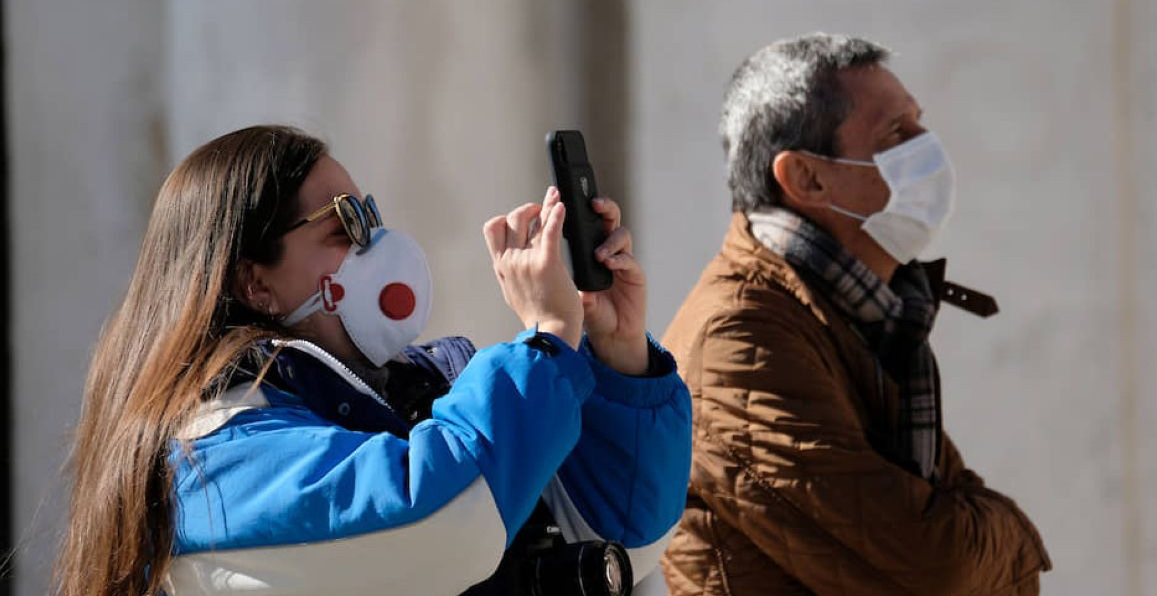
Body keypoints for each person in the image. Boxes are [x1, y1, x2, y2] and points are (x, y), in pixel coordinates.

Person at [55, 125, 691, 596]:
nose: (376, 244)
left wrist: (616, 352)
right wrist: (546, 338)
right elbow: (437, 518)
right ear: (256, 283)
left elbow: (623, 532)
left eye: (371, 215)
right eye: (344, 225)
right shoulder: (210, 450)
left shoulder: (431, 393)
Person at [660, 34, 1052, 595]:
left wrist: (974, 528)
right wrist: (1012, 533)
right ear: (807, 178)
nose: (929, 147)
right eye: (895, 134)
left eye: (919, 123)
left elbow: (943, 529)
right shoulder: (741, 337)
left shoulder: (861, 311)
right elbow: (933, 566)